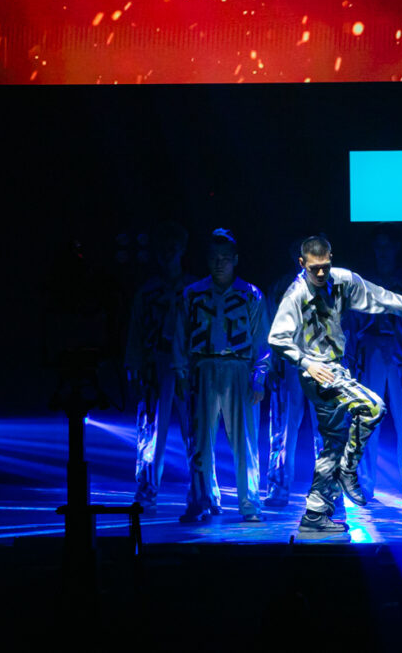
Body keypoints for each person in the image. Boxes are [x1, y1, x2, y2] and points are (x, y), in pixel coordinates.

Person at [268, 236, 402, 533]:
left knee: (373, 421)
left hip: (359, 361)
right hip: (314, 366)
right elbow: (277, 337)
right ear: (301, 262)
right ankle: (331, 490)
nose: (321, 272)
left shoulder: (344, 281)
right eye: (314, 266)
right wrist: (305, 363)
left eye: (325, 265)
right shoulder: (292, 291)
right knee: (328, 432)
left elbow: (377, 297)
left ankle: (340, 494)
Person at [174, 229, 270, 522]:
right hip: (202, 368)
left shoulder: (251, 294)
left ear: (235, 259)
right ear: (207, 259)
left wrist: (259, 377)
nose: (220, 263)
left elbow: (262, 340)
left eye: (225, 257)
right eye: (215, 257)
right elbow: (181, 336)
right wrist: (181, 372)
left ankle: (249, 503)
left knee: (244, 440)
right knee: (199, 439)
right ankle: (201, 499)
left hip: (238, 369)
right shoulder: (192, 294)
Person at [125, 221, 215, 509]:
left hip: (188, 366)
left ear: (182, 250)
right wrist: (133, 366)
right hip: (156, 363)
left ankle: (204, 490)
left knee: (196, 427)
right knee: (150, 428)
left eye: (173, 248)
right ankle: (147, 488)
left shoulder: (195, 289)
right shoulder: (148, 291)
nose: (168, 253)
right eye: (163, 248)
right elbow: (136, 332)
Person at [347, 224, 402, 506]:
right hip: (370, 349)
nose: (383, 252)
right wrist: (351, 358)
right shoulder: (362, 282)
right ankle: (363, 486)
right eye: (379, 247)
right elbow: (351, 323)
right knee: (367, 418)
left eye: (388, 246)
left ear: (397, 248)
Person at [263, 239, 322, 507]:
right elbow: (270, 327)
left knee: (326, 428)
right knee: (283, 426)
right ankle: (278, 488)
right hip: (288, 363)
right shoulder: (280, 287)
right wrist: (271, 362)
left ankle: (328, 491)